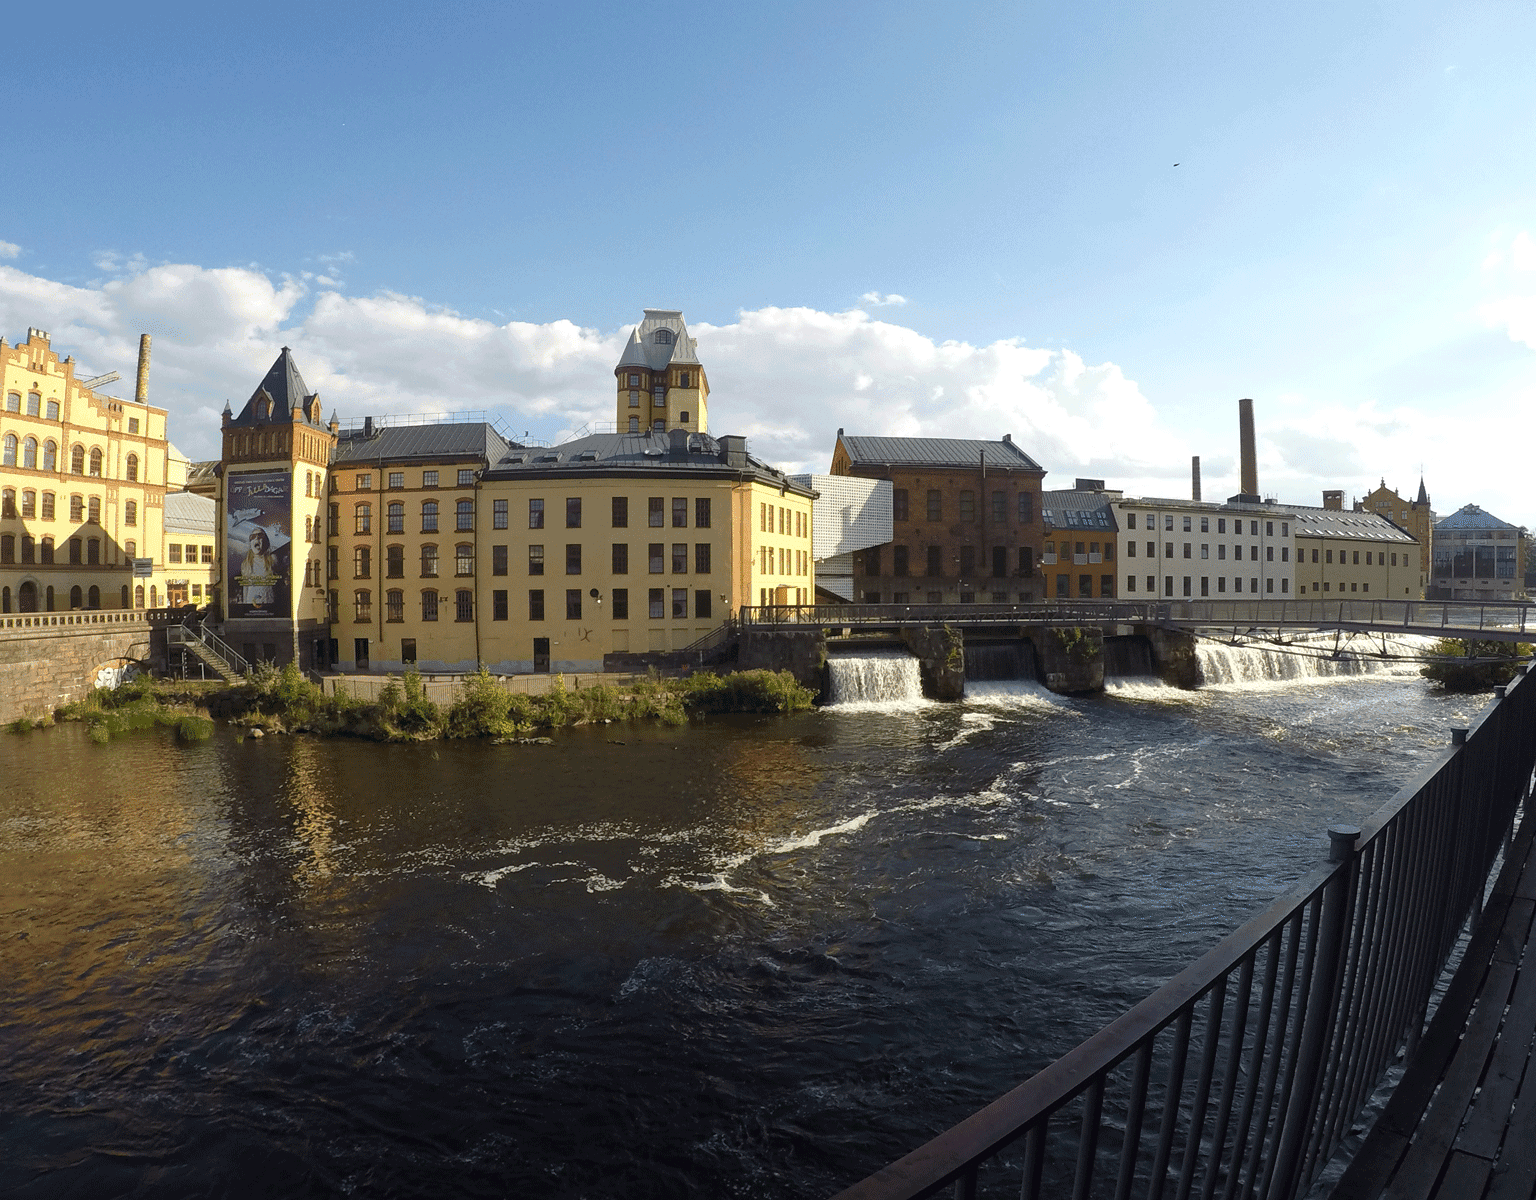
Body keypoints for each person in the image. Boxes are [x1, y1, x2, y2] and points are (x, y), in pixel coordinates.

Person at [239, 527, 280, 607]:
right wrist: (245, 606)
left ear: (265, 542)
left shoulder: (273, 559)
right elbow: (245, 587)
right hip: (252, 604)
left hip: (269, 604)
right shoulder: (245, 564)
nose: (256, 538)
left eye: (260, 536)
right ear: (250, 544)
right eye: (252, 537)